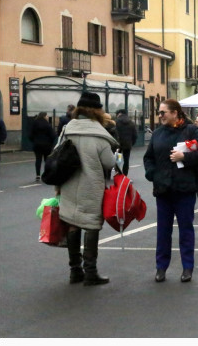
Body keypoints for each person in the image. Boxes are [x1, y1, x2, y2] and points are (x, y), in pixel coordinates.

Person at [143, 99, 198, 283]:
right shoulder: (157, 134)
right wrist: (152, 174)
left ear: (175, 113)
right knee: (163, 231)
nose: (160, 115)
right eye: (159, 112)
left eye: (163, 112)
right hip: (163, 189)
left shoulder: (190, 131)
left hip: (185, 188)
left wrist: (185, 156)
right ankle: (161, 267)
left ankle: (187, 267)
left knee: (185, 230)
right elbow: (148, 158)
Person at [58, 92, 118, 286]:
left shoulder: (67, 129)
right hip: (91, 186)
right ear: (97, 111)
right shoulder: (100, 134)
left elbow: (56, 154)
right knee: (91, 224)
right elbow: (109, 163)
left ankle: (75, 271)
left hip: (68, 183)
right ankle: (90, 272)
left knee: (72, 223)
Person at [29, 112, 56, 181]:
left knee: (38, 159)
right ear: (44, 116)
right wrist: (51, 143)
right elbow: (53, 135)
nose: (47, 117)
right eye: (47, 116)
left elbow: (30, 135)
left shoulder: (34, 124)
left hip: (37, 145)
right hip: (47, 145)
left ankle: (38, 175)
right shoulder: (48, 125)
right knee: (46, 160)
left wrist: (34, 141)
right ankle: (46, 174)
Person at [115, 109, 138, 176]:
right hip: (128, 144)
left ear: (119, 114)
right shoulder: (131, 122)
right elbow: (135, 135)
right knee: (126, 160)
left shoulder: (117, 122)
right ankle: (125, 175)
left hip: (118, 144)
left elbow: (115, 133)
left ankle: (118, 173)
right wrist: (131, 143)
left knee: (118, 159)